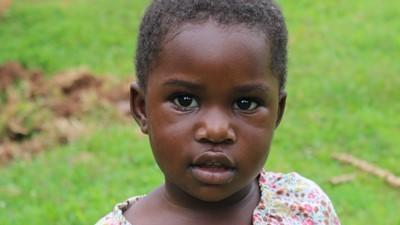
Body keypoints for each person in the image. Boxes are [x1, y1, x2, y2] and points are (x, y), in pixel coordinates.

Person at [95, 0, 341, 224]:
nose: (216, 130)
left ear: (278, 111)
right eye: (185, 100)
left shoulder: (303, 210)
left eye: (246, 104)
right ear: (142, 109)